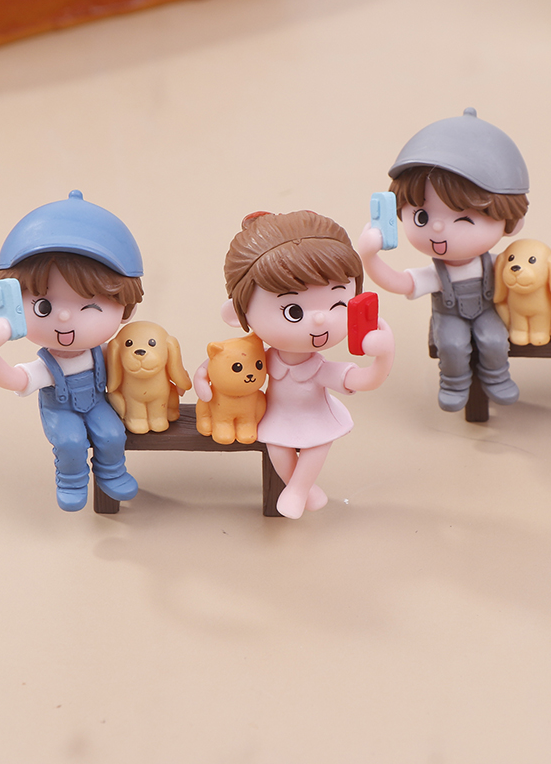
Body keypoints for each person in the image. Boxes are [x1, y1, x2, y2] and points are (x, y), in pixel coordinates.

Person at [194, 210, 394, 519]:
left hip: (314, 416)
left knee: (318, 444)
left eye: (338, 303)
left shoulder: (319, 368)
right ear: (237, 313)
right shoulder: (261, 355)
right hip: (276, 416)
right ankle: (303, 490)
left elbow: (367, 380)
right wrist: (202, 376)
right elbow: (223, 361)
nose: (320, 318)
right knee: (276, 448)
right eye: (294, 312)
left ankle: (299, 489)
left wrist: (384, 355)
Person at [0, 190, 144, 510]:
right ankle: (71, 479)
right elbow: (15, 379)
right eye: (43, 306)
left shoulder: (104, 352)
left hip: (96, 404)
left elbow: (132, 365)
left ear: (127, 308)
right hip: (60, 411)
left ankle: (112, 472)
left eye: (89, 306)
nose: (65, 317)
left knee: (112, 433)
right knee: (70, 441)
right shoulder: (46, 366)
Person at [358, 108, 529, 413]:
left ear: (510, 221)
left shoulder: (497, 263)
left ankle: (497, 377)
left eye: (463, 218)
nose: (437, 227)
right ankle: (453, 382)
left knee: (493, 338)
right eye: (421, 217)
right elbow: (399, 282)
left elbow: (526, 277)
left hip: (486, 311)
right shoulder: (436, 273)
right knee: (451, 344)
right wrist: (369, 256)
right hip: (449, 316)